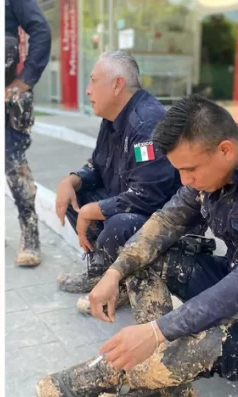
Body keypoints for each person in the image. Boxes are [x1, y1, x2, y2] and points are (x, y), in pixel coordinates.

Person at [36, 95, 238, 397]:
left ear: (225, 149)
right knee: (138, 255)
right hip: (234, 276)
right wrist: (114, 274)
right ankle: (172, 391)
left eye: (189, 170)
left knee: (188, 351)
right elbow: (168, 220)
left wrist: (157, 333)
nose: (185, 181)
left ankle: (94, 374)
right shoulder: (211, 163)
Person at [55, 51, 183, 296]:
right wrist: (71, 180)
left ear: (117, 85)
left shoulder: (146, 126)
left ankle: (124, 280)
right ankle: (101, 272)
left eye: (93, 81)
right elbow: (98, 166)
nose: (87, 91)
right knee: (74, 197)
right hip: (130, 202)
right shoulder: (112, 119)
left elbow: (149, 195)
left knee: (117, 223)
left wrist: (94, 210)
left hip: (163, 218)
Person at [5, 0, 51, 267]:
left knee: (14, 162)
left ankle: (30, 233)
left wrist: (25, 80)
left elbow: (41, 30)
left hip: (13, 93)